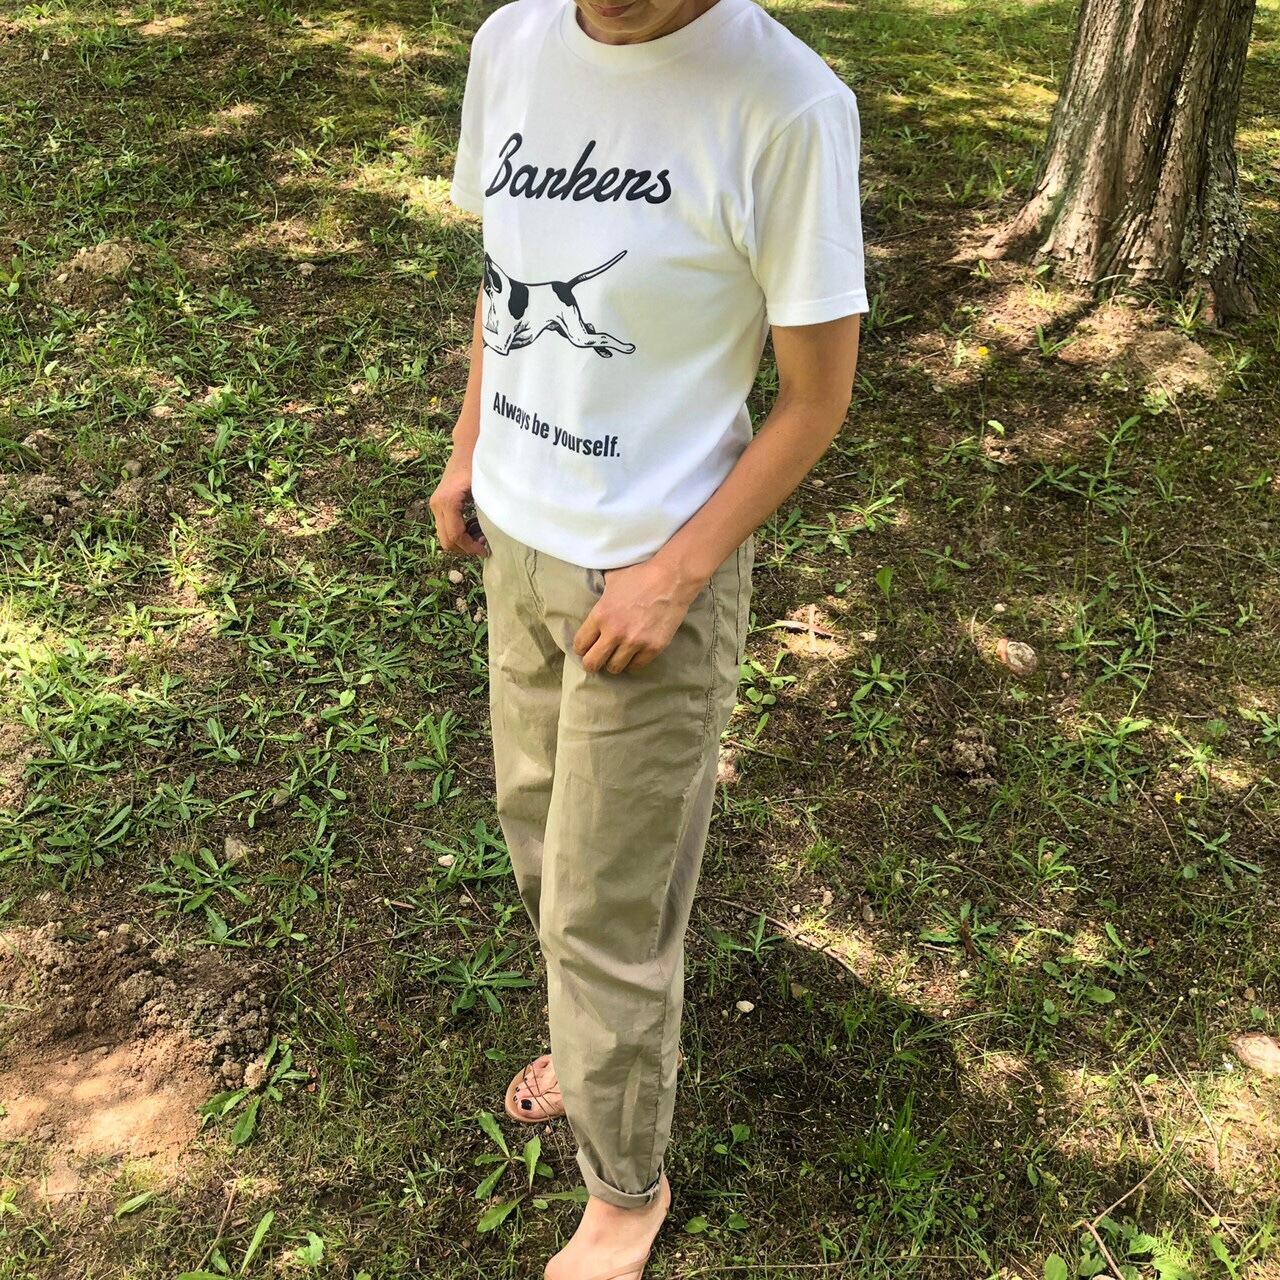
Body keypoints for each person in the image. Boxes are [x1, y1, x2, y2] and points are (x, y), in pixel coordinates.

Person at [431, 0, 866, 1273]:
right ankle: (591, 1048)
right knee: (535, 832)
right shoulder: (512, 43)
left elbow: (816, 397)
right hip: (517, 543)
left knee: (605, 907)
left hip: (647, 583)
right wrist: (467, 448)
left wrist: (673, 576)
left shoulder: (785, 104)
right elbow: (505, 279)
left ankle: (625, 1189)